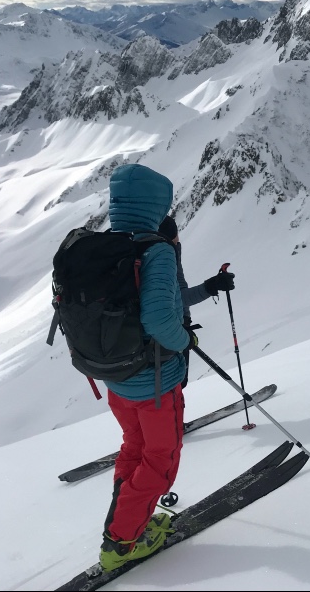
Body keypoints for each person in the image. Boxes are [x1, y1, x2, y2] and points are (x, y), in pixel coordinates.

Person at [98, 163, 196, 571]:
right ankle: (121, 542)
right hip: (154, 382)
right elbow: (158, 318)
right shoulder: (152, 249)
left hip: (116, 379)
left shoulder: (102, 247)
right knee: (160, 460)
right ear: (154, 205)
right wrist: (184, 340)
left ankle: (125, 522)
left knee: (134, 449)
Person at [157, 215, 235, 388]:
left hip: (174, 324)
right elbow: (178, 299)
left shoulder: (166, 252)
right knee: (175, 382)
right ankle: (170, 414)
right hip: (172, 326)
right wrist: (211, 286)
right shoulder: (163, 257)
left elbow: (179, 293)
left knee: (175, 382)